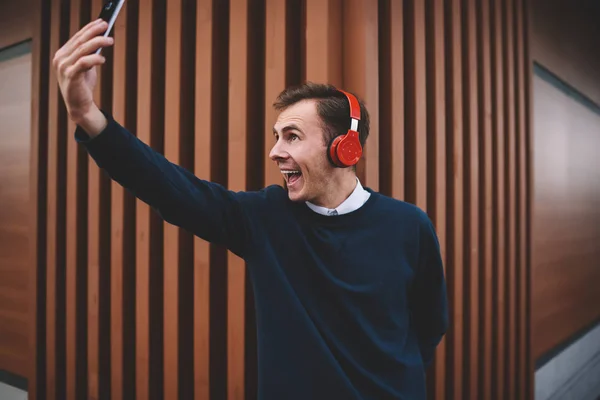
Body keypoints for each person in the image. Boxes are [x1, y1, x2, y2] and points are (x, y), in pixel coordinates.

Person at [53, 19, 448, 400]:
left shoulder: (409, 225)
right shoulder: (265, 217)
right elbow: (169, 188)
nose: (276, 152)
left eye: (292, 136)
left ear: (346, 148)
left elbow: (429, 327)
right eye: (276, 137)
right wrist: (86, 115)